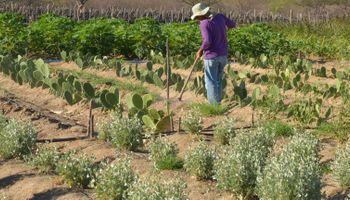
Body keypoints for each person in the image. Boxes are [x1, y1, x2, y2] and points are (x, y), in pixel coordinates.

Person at [191, 3, 236, 104]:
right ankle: (218, 103)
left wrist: (200, 50)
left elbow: (207, 41)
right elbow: (233, 24)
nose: (197, 19)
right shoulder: (220, 17)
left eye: (198, 17)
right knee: (218, 80)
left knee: (210, 81)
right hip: (223, 56)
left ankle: (213, 106)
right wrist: (221, 30)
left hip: (211, 57)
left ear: (202, 14)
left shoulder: (204, 23)